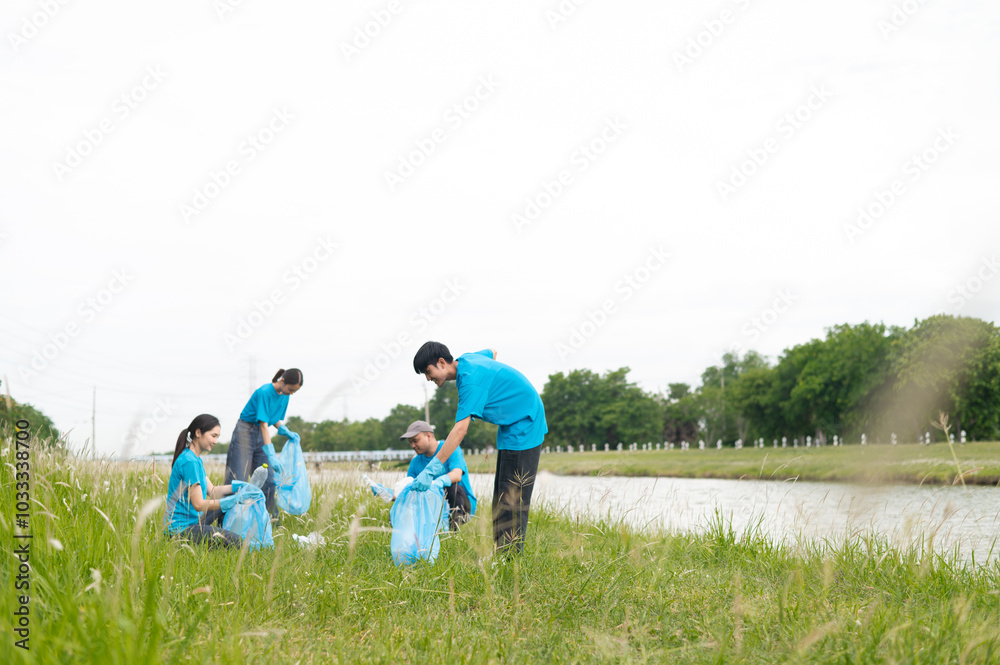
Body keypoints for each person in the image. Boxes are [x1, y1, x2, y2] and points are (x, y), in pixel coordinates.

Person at [412, 342, 546, 553]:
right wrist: (495, 382)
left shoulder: (470, 381)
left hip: (525, 424)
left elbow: (460, 430)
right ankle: (501, 555)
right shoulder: (468, 359)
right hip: (511, 425)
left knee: (513, 500)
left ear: (441, 362)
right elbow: (492, 351)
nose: (428, 378)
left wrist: (433, 468)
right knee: (501, 498)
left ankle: (510, 561)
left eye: (428, 372)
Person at [224, 368, 303, 519]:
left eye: (294, 391)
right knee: (237, 479)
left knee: (269, 480)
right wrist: (271, 454)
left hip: (262, 433)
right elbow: (263, 423)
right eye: (291, 389)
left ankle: (270, 520)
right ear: (282, 381)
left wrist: (285, 430)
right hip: (245, 432)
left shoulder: (285, 396)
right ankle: (227, 521)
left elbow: (272, 419)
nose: (291, 393)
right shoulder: (264, 392)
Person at [164, 414, 242, 548]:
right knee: (239, 542)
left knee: (227, 497)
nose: (216, 441)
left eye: (217, 437)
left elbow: (213, 491)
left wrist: (239, 487)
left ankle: (221, 533)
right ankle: (220, 539)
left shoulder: (195, 459)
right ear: (198, 432)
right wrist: (231, 501)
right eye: (213, 435)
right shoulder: (189, 462)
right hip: (180, 531)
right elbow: (199, 505)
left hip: (194, 522)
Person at [400, 420, 477, 530]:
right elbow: (409, 489)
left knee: (452, 487)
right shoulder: (415, 462)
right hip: (433, 504)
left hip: (462, 504)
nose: (413, 445)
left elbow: (457, 474)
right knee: (402, 505)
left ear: (428, 436)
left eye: (415, 441)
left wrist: (438, 482)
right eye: (410, 442)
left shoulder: (450, 447)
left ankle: (452, 532)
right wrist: (390, 494)